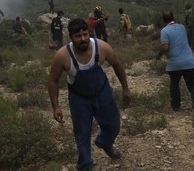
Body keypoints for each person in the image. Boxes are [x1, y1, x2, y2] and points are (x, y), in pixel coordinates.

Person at [48, 18, 132, 171]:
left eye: (85, 34)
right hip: (78, 98)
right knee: (82, 134)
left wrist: (125, 88)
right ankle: (85, 165)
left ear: (89, 33)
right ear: (71, 38)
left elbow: (117, 65)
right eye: (78, 36)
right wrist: (56, 107)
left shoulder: (101, 47)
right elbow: (53, 81)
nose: (83, 39)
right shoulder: (62, 56)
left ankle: (105, 143)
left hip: (103, 92)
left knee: (113, 124)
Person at [155, 11, 194, 112]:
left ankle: (175, 105)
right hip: (189, 61)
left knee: (174, 83)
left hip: (175, 64)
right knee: (193, 83)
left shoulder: (165, 31)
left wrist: (159, 54)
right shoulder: (182, 27)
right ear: (173, 17)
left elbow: (165, 47)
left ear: (163, 20)